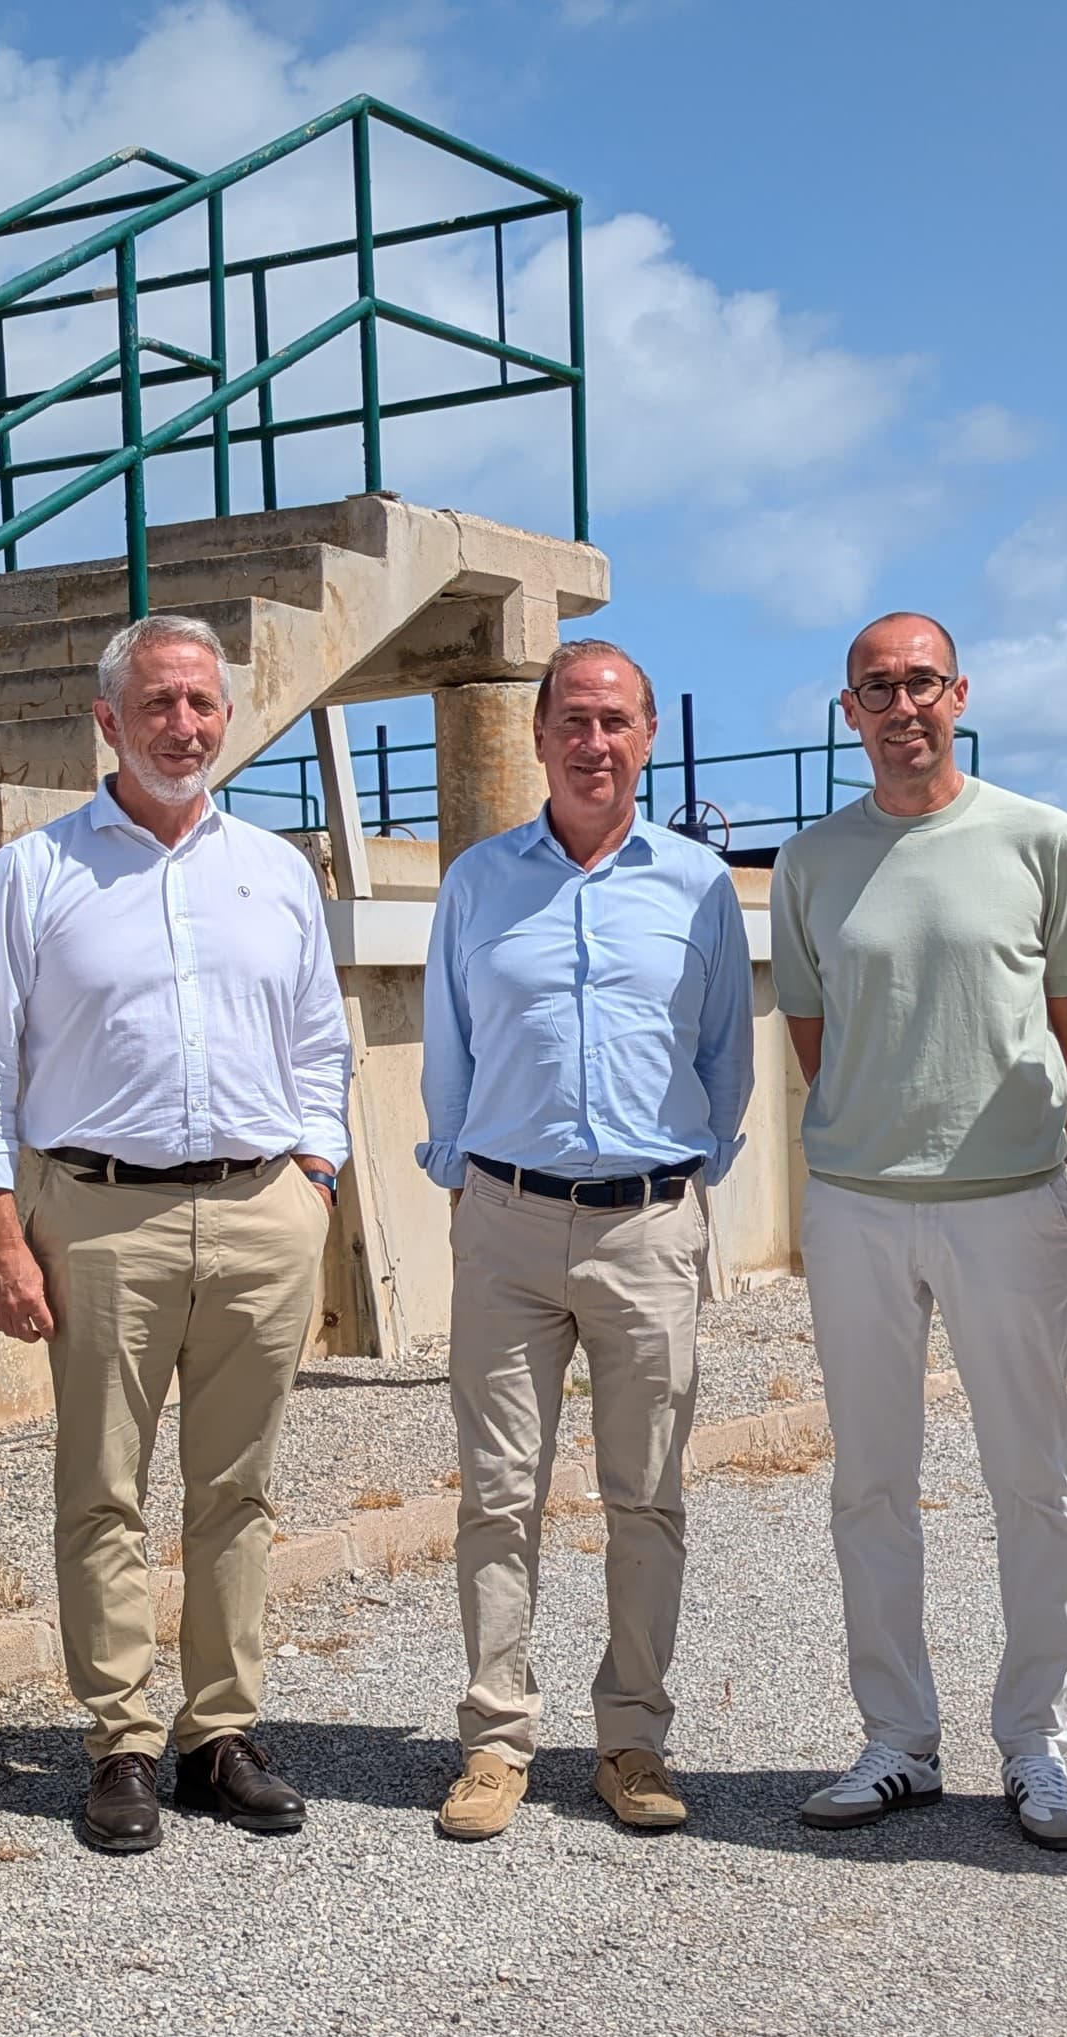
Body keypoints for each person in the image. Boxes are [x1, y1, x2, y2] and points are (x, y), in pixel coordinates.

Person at [0, 612, 351, 1855]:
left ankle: (220, 1731)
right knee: (101, 1489)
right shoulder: (38, 871)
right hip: (96, 1213)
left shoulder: (275, 868)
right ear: (107, 722)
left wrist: (315, 1179)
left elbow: (321, 1042)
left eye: (204, 705)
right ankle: (120, 1739)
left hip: (259, 1209)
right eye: (160, 704)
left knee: (237, 1488)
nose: (186, 725)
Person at [771, 611, 1067, 1846]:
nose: (901, 704)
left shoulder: (1039, 837)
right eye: (877, 688)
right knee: (871, 1483)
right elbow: (817, 1036)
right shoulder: (813, 862)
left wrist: (1004, 1129)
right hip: (859, 1204)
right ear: (849, 710)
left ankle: (1036, 1742)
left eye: (921, 682)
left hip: (1007, 1202)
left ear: (959, 692)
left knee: (1034, 1481)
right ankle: (899, 1740)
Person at [414, 640, 754, 1842]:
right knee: (498, 1496)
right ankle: (496, 1740)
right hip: (504, 1224)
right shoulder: (476, 881)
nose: (593, 744)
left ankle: (633, 1741)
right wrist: (461, 1175)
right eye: (572, 721)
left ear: (646, 737)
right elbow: (447, 1045)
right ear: (541, 735)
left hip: (650, 1228)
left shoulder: (702, 886)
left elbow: (724, 1056)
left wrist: (690, 1174)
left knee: (646, 1497)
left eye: (615, 722)